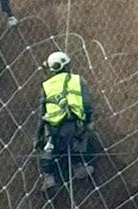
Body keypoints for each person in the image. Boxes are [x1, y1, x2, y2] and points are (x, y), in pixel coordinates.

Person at [37, 50, 95, 194]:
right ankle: (78, 166)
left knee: (48, 147)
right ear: (66, 66)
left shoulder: (47, 85)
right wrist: (88, 121)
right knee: (81, 138)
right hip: (74, 125)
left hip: (53, 128)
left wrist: (37, 135)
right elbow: (87, 104)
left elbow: (42, 113)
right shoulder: (78, 80)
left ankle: (48, 177)